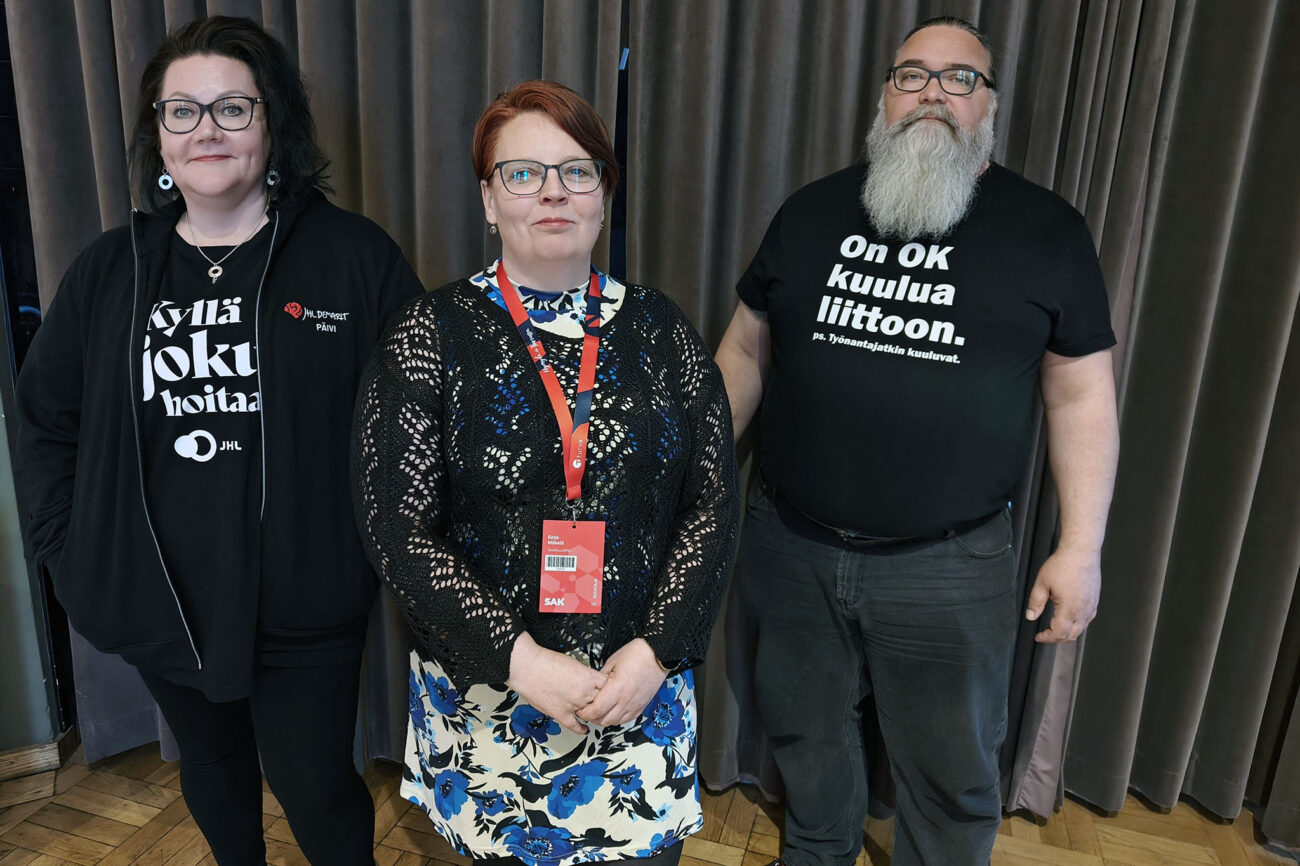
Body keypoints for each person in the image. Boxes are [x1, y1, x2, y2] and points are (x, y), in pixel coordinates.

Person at [13, 16, 423, 866]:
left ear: (273, 125)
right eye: (182, 111)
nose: (206, 130)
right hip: (160, 592)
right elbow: (45, 419)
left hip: (306, 598)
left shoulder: (353, 257)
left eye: (232, 108)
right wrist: (67, 550)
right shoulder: (109, 270)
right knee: (209, 765)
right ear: (159, 137)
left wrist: (374, 551)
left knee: (314, 783)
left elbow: (418, 421)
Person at [714, 16, 1119, 866]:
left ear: (989, 104)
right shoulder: (812, 211)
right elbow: (745, 351)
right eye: (913, 75)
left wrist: (1080, 547)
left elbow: (1081, 392)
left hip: (948, 566)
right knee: (806, 743)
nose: (934, 92)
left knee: (950, 773)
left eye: (960, 77)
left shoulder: (1047, 230)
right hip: (791, 545)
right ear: (885, 98)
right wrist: (689, 470)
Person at [352, 80, 739, 866]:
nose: (553, 191)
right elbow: (396, 526)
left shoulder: (663, 330)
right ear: (489, 200)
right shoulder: (430, 332)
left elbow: (713, 502)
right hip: (490, 707)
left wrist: (657, 650)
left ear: (604, 193)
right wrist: (520, 660)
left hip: (636, 697)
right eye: (523, 173)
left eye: (577, 170)